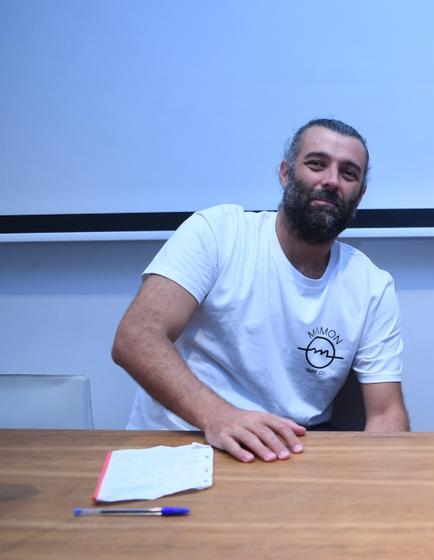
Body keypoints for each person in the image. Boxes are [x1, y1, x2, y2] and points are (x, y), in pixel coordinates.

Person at [113, 119, 410, 462]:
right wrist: (219, 417)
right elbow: (135, 337)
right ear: (285, 173)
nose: (331, 180)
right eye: (316, 164)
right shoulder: (218, 233)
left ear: (360, 193)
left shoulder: (372, 285)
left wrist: (382, 484)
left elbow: (386, 414)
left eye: (348, 173)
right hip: (180, 444)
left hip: (287, 457)